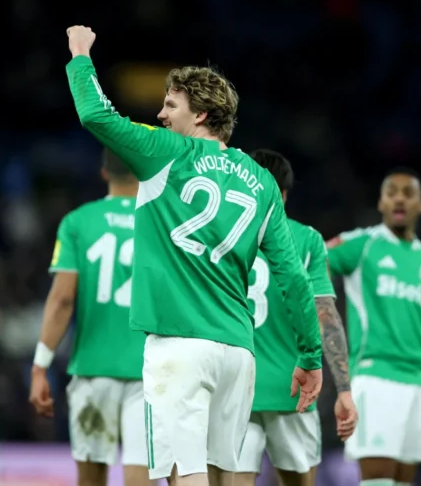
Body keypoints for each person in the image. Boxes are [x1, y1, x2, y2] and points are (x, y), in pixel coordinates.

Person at [57, 25, 323, 486]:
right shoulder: (260, 181)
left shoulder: (165, 152)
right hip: (239, 353)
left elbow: (95, 115)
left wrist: (80, 53)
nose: (160, 115)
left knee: (185, 476)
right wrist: (311, 354)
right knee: (223, 477)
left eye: (171, 105)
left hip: (178, 346)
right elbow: (292, 278)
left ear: (200, 115)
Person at [325, 167, 421, 486]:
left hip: (418, 386)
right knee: (378, 480)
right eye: (390, 191)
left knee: (403, 481)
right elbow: (311, 260)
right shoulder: (362, 245)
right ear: (380, 203)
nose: (398, 198)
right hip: (375, 379)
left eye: (407, 193)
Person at [235, 149, 357, 486]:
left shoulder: (221, 236)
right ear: (285, 193)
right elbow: (326, 316)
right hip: (294, 391)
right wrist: (344, 389)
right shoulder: (306, 240)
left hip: (234, 388)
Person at [29, 149, 151, 486]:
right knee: (141, 475)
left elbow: (62, 299)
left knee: (91, 478)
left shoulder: (78, 222)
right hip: (149, 372)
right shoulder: (160, 222)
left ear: (103, 173)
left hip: (93, 371)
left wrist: (40, 365)